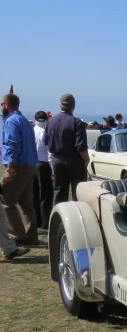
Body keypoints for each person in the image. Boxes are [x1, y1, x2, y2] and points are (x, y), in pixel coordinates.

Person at [1, 93, 39, 245]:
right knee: (26, 204)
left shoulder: (11, 121)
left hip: (19, 167)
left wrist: (10, 169)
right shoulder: (24, 120)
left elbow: (13, 145)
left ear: (6, 104)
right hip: (30, 166)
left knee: (5, 199)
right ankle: (30, 235)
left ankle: (18, 235)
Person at [44, 93, 89, 205]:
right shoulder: (77, 122)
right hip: (75, 160)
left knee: (59, 191)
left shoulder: (51, 121)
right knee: (78, 191)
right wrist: (86, 159)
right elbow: (81, 146)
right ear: (73, 106)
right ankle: (78, 216)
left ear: (60, 105)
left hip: (57, 159)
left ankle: (58, 218)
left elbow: (46, 141)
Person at [33, 111, 53, 230]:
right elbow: (49, 153)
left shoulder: (31, 131)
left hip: (33, 163)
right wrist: (53, 169)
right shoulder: (45, 132)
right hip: (44, 164)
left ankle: (37, 220)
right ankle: (45, 222)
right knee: (45, 194)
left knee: (34, 193)